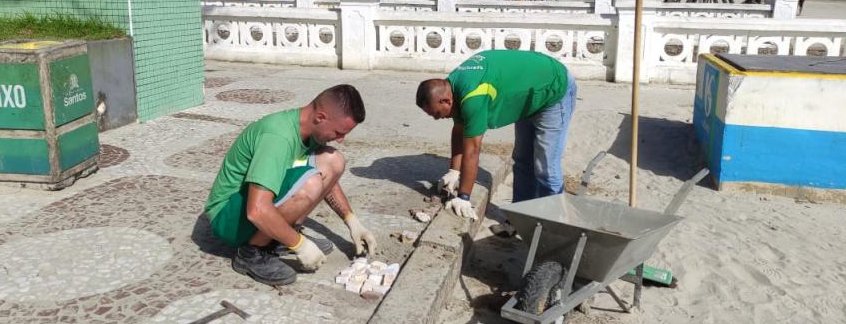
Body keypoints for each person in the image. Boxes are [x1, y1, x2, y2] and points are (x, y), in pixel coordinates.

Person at [205, 85, 377, 285]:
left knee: (334, 160)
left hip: (246, 212)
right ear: (320, 117)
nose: (341, 139)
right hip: (227, 218)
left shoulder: (309, 131)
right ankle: (251, 253)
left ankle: (276, 237)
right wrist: (300, 245)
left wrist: (352, 222)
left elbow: (328, 180)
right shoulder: (278, 136)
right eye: (339, 132)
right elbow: (257, 210)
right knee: (310, 183)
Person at [415, 50, 577, 219]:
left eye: (436, 113)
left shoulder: (473, 96)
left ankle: (555, 226)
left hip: (553, 88)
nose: (436, 118)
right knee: (523, 161)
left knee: (546, 168)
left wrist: (464, 197)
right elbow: (459, 130)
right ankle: (521, 220)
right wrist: (454, 171)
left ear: (446, 101)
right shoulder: (452, 88)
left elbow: (472, 150)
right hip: (529, 93)